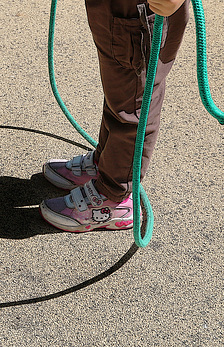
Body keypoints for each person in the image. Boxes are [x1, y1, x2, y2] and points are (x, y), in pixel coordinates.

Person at [40, 0, 189, 232]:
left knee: (133, 104)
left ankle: (113, 197)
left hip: (142, 9)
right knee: (120, 92)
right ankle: (106, 164)